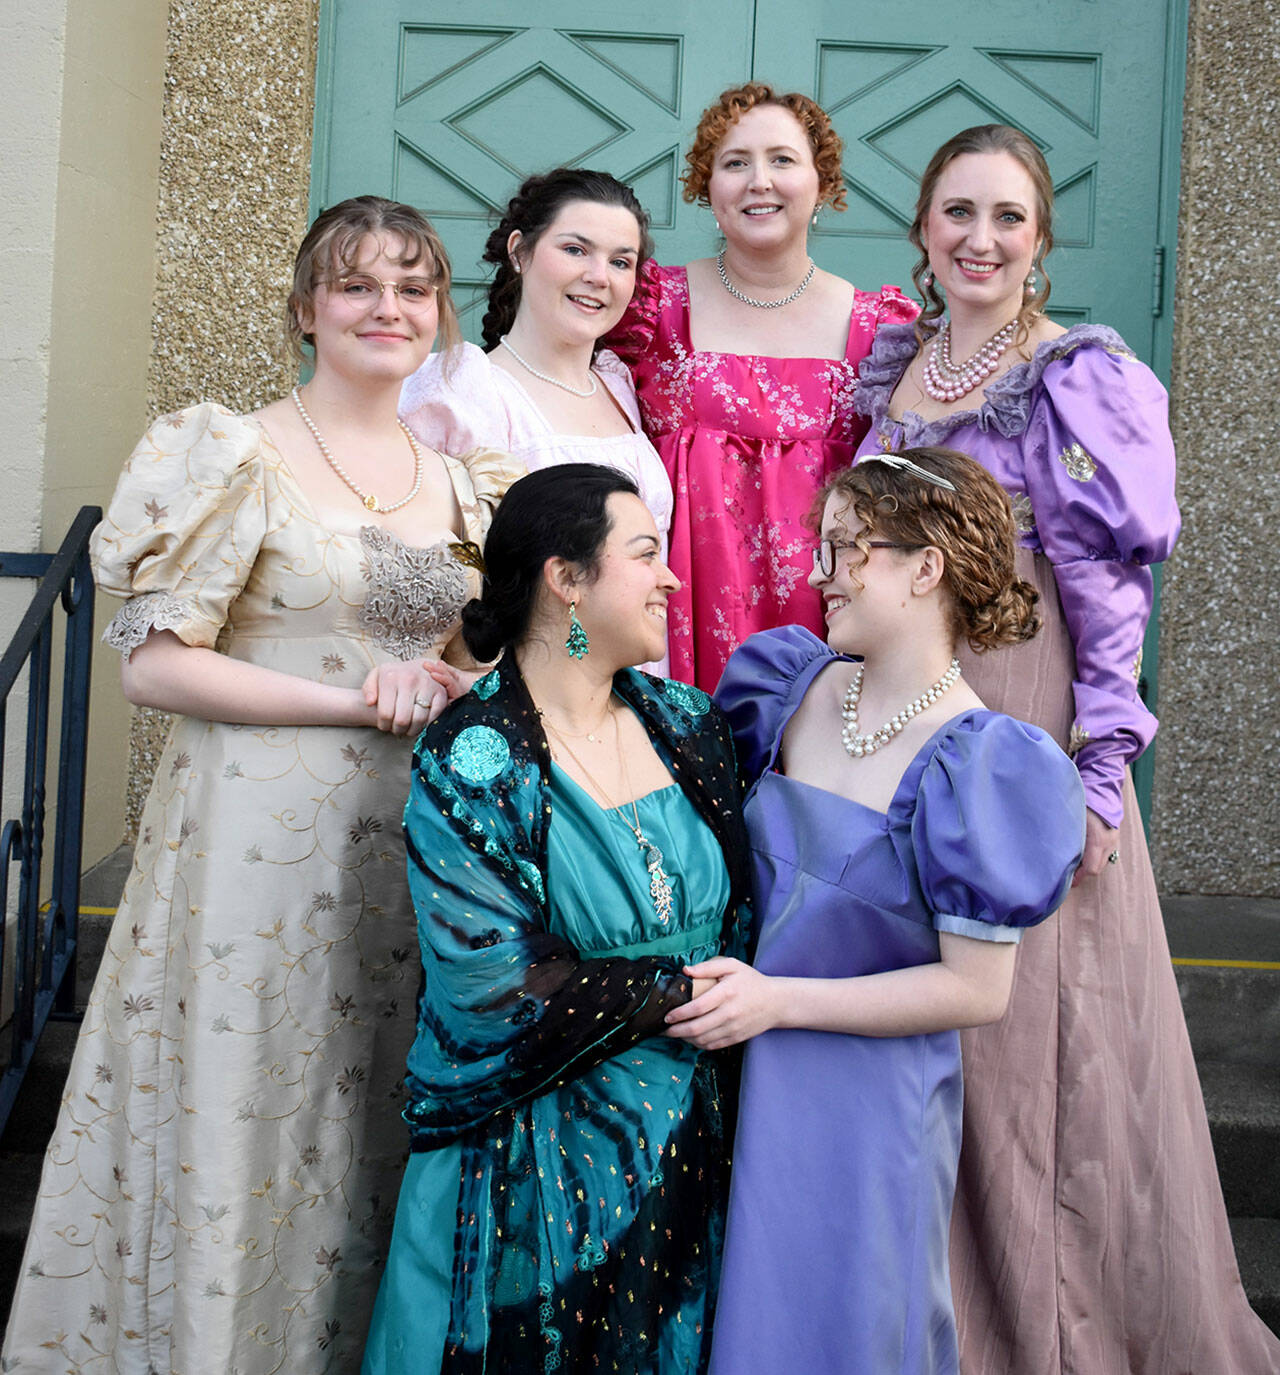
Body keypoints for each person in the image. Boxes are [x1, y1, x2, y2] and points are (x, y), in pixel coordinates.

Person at [2, 197, 521, 1372]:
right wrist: (355, 701)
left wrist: (451, 679)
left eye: (411, 285)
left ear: (438, 312)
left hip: (411, 846)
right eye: (355, 285)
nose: (386, 307)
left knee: (375, 1100)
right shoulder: (228, 449)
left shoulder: (467, 482)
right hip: (252, 836)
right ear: (303, 310)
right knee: (249, 1107)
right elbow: (155, 665)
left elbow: (484, 656)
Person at [854, 125, 1280, 1372]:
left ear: (1038, 241)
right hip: (904, 714)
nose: (977, 239)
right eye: (956, 214)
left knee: (1030, 1034)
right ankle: (930, 1304)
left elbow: (1107, 595)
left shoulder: (1071, 375)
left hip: (1019, 721)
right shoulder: (898, 362)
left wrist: (1098, 774)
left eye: (1005, 218)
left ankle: (1041, 1318)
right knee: (926, 1015)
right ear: (922, 230)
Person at [665, 447, 1085, 1374]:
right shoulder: (782, 689)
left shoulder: (984, 763)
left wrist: (778, 1002)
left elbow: (977, 990)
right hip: (724, 1072)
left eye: (847, 549)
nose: (821, 574)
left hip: (860, 1112)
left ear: (924, 566)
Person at [361, 464, 750, 1375]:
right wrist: (686, 993)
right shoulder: (475, 755)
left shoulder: (691, 723)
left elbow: (745, 916)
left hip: (691, 1141)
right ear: (565, 578)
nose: (672, 578)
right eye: (646, 553)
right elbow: (491, 982)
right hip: (533, 1164)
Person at [607, 81, 918, 690]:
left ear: (822, 183)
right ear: (706, 185)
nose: (759, 181)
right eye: (735, 163)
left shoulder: (879, 328)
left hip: (826, 620)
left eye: (782, 160)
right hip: (671, 616)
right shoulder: (649, 305)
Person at [400, 168, 672, 671]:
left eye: (620, 261)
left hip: (636, 690)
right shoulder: (464, 388)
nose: (598, 276)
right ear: (520, 251)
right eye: (575, 250)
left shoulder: (619, 385)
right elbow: (427, 569)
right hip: (522, 694)